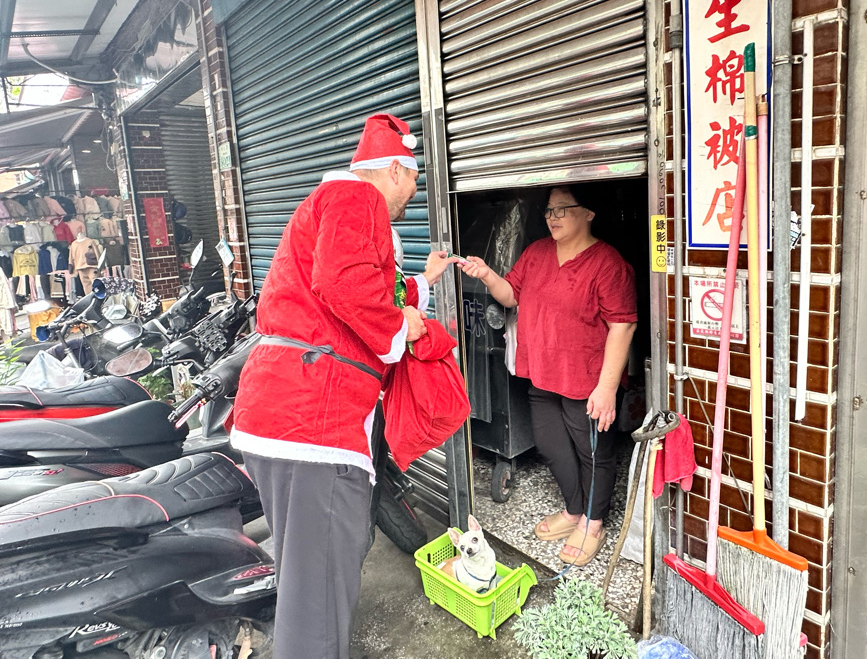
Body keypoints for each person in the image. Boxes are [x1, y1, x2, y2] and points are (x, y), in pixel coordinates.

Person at [231, 113, 458, 659]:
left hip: (281, 414)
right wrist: (401, 329)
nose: (413, 194)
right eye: (415, 180)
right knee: (319, 602)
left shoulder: (332, 205)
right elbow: (345, 284)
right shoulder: (358, 198)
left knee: (307, 581)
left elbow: (370, 287)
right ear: (396, 171)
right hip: (314, 422)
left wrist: (422, 284)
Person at [460, 185, 637, 567]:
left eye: (562, 209)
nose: (552, 217)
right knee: (551, 446)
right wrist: (487, 274)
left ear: (588, 213)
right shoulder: (537, 252)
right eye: (549, 211)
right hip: (542, 374)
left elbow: (623, 326)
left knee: (593, 454)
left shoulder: (607, 263)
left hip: (586, 380)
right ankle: (574, 510)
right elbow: (511, 295)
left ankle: (593, 523)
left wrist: (607, 388)